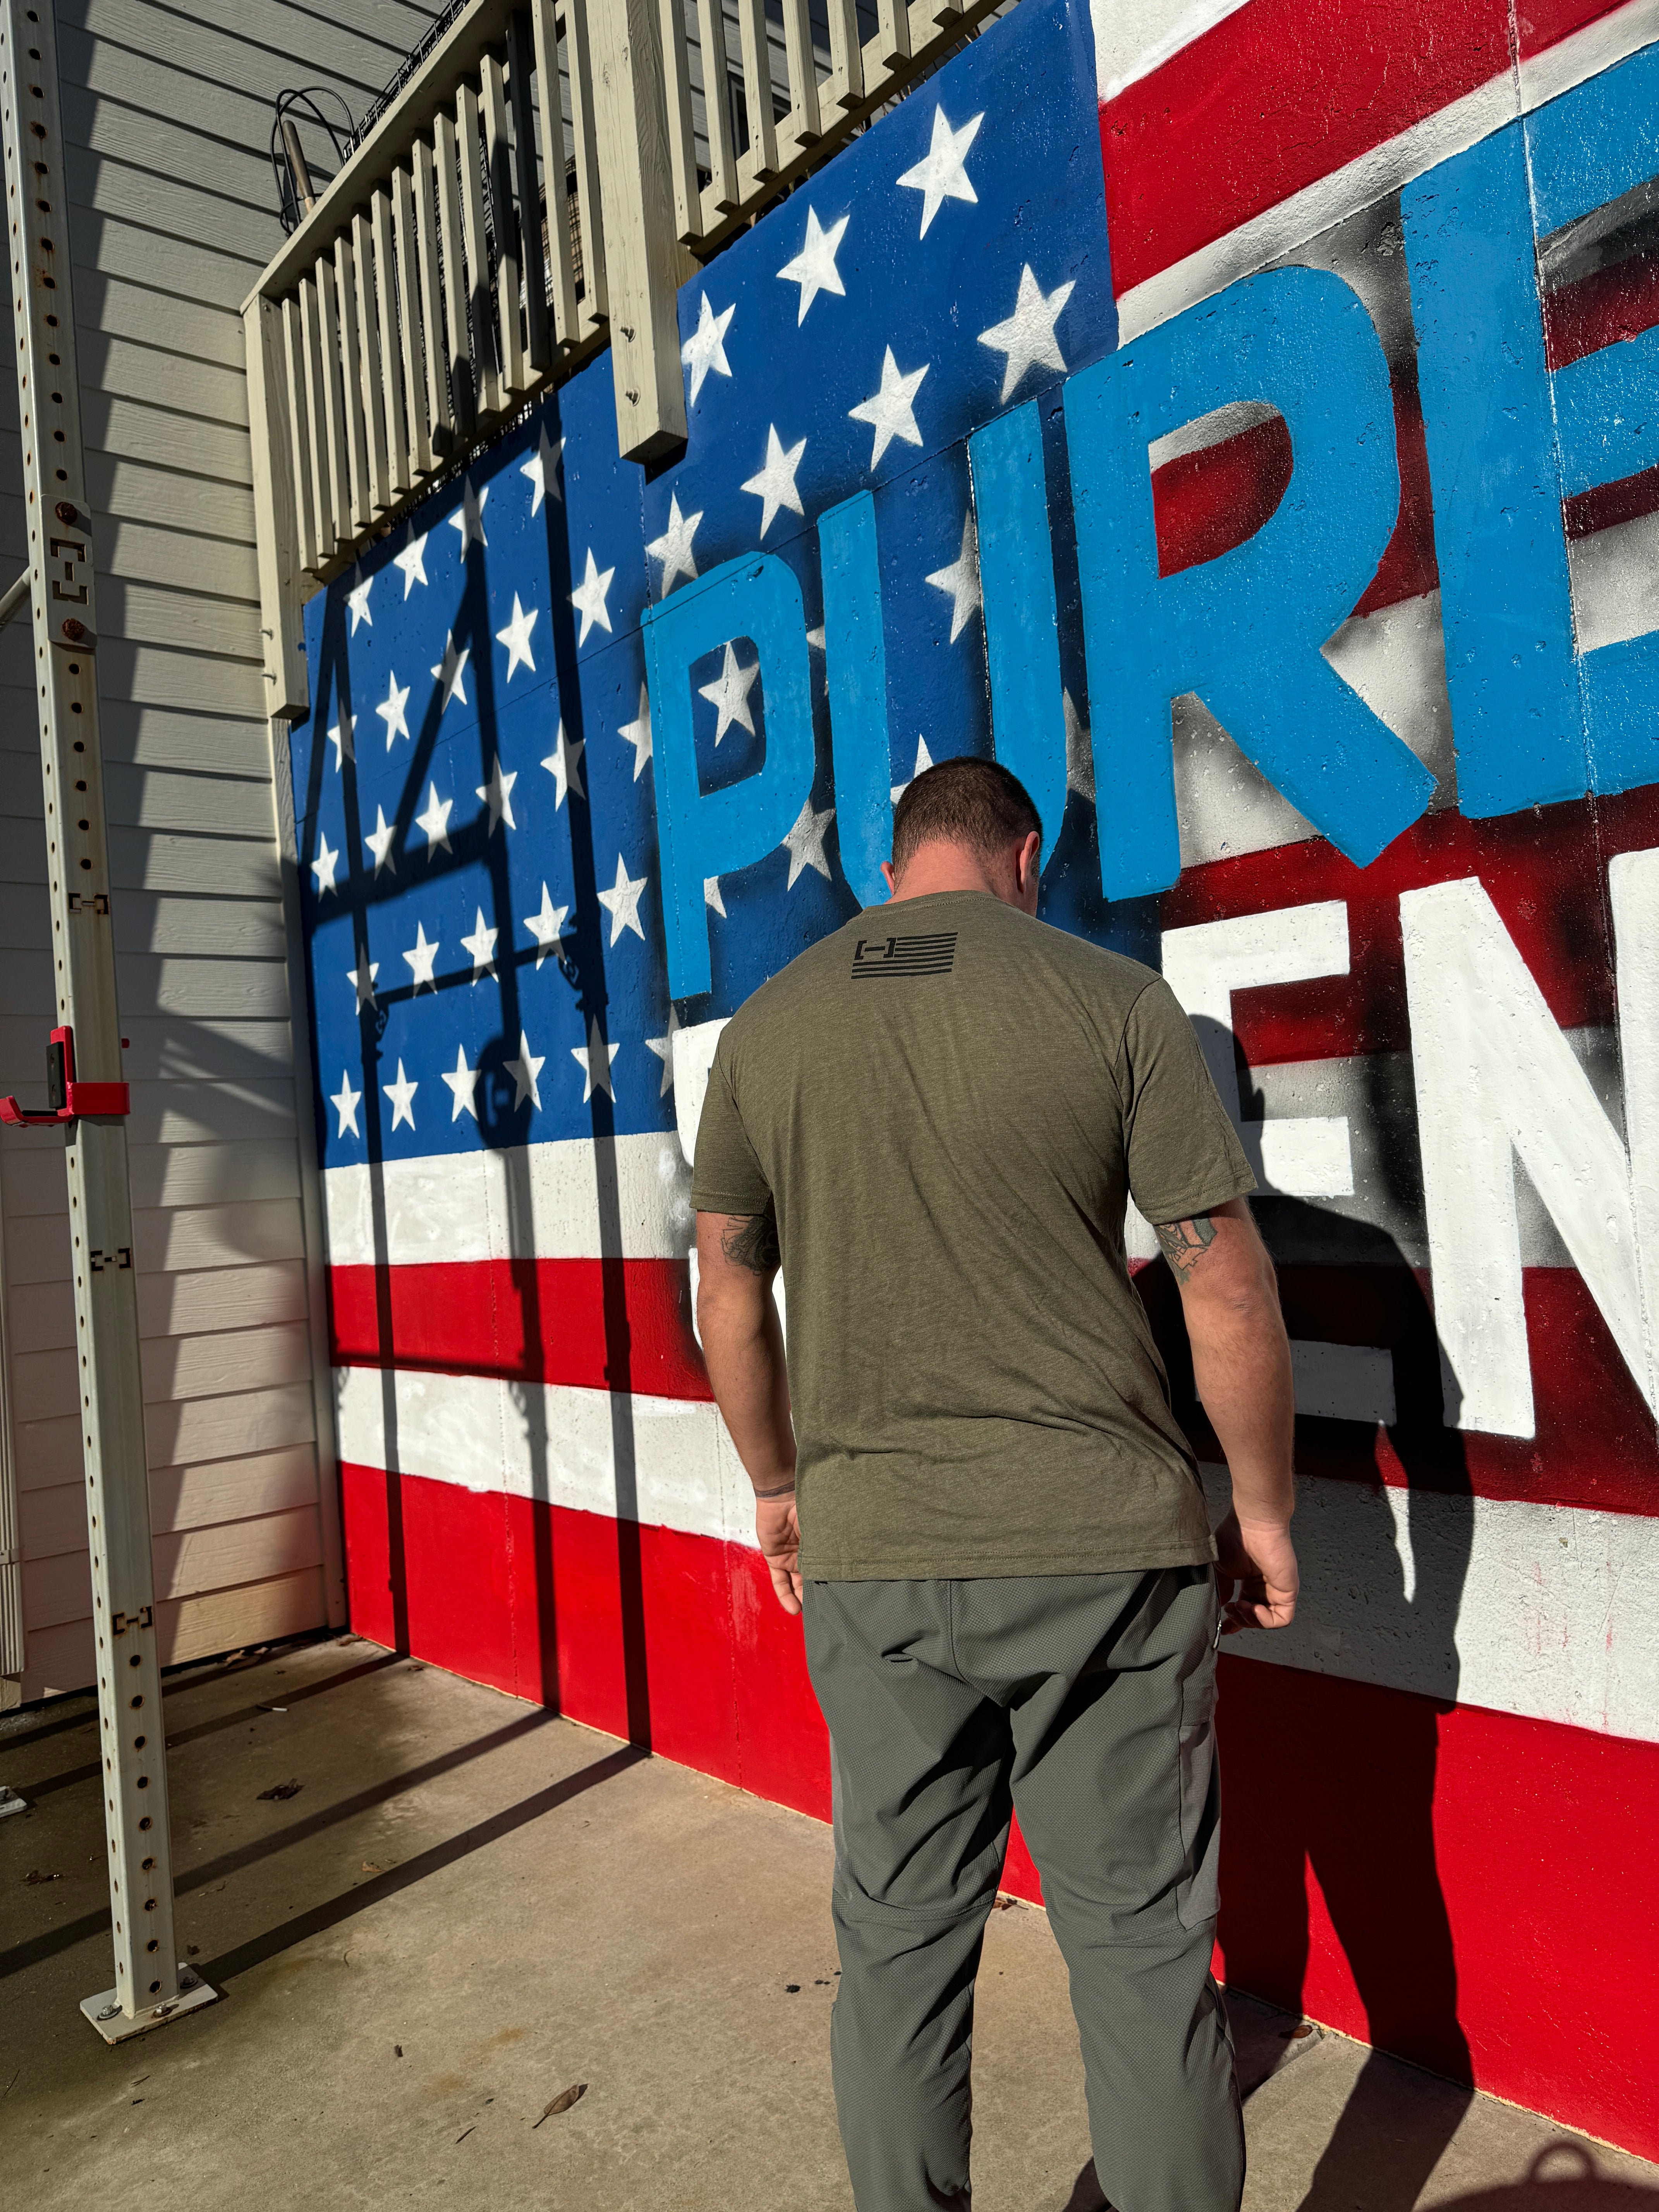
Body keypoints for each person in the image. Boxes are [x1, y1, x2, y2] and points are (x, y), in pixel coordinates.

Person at [692, 757, 1298, 2212]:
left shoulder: (768, 1029)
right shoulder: (1110, 1003)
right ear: (1024, 854)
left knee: (899, 1943)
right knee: (1142, 1953)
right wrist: (1262, 1510)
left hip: (875, 1551)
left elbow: (726, 1282)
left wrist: (778, 1481)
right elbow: (1224, 1290)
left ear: (889, 868)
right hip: (1102, 1550)